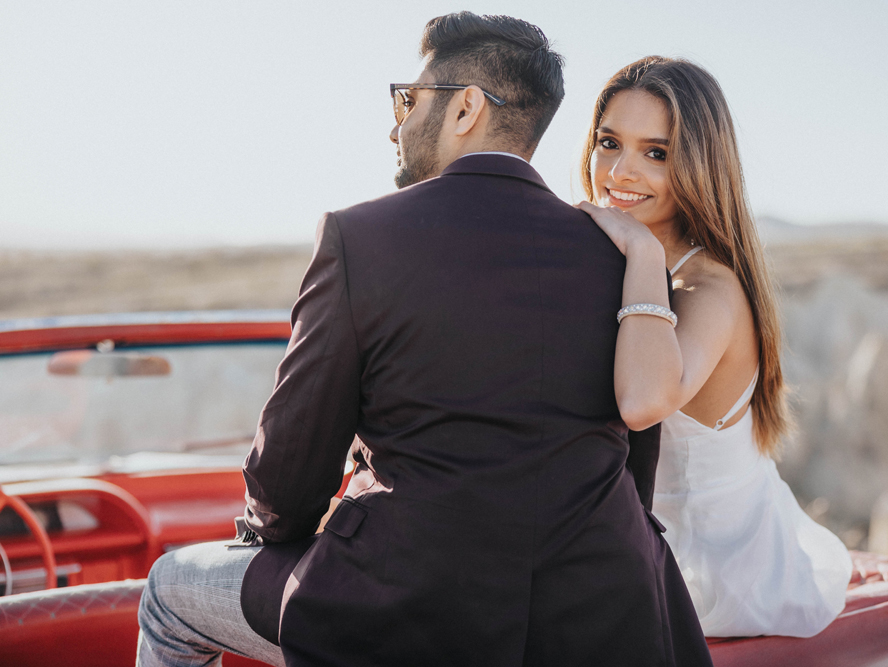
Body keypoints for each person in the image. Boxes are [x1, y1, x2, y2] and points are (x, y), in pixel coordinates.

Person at [137, 16, 713, 667]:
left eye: (407, 100)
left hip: (404, 601)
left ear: (466, 106)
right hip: (602, 604)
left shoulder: (359, 238)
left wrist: (269, 535)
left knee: (166, 592)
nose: (396, 123)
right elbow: (633, 471)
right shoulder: (621, 259)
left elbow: (291, 469)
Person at [577, 56, 853, 638]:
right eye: (609, 143)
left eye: (657, 153)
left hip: (717, 572)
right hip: (633, 543)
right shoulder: (613, 258)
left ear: (700, 165)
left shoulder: (709, 289)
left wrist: (646, 251)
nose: (620, 172)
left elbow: (644, 401)